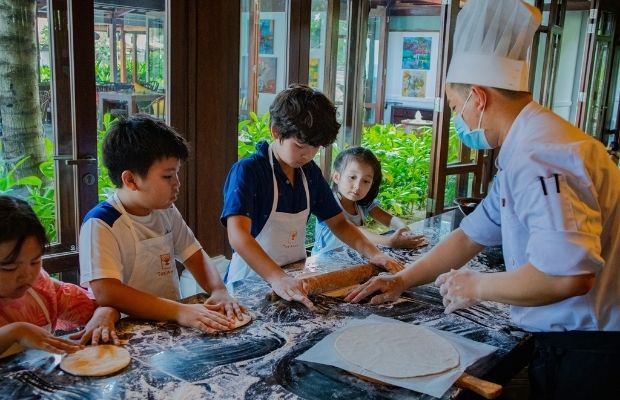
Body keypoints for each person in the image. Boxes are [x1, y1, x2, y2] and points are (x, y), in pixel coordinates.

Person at [345, 1, 620, 398]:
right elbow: (472, 235)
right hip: (579, 343)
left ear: (479, 97)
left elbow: (567, 276)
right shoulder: (529, 144)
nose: (458, 121)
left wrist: (476, 287)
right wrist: (402, 279)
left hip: (591, 353)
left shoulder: (539, 155)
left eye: (456, 108)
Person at [221, 84, 402, 310]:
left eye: (315, 147)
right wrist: (277, 277)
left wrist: (374, 254)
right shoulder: (249, 171)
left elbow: (338, 222)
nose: (307, 154)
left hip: (294, 279)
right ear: (275, 131)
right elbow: (238, 235)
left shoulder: (309, 173)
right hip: (249, 284)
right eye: (300, 146)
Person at [79, 115, 244, 334]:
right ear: (130, 180)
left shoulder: (165, 210)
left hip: (169, 324)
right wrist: (180, 311)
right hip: (129, 331)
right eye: (167, 176)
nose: (177, 183)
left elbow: (193, 254)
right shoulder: (101, 223)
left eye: (177, 173)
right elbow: (107, 292)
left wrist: (218, 289)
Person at [0, 196, 120, 358]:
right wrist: (15, 332)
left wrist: (104, 314)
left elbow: (100, 304)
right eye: (10, 267)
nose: (27, 275)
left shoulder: (42, 288)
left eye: (35, 262)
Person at [311, 146, 426, 254]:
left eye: (365, 181)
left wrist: (404, 230)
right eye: (352, 177)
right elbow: (354, 231)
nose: (357, 186)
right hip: (324, 264)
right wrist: (390, 242)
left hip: (351, 258)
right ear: (336, 177)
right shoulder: (328, 203)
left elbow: (389, 219)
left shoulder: (362, 204)